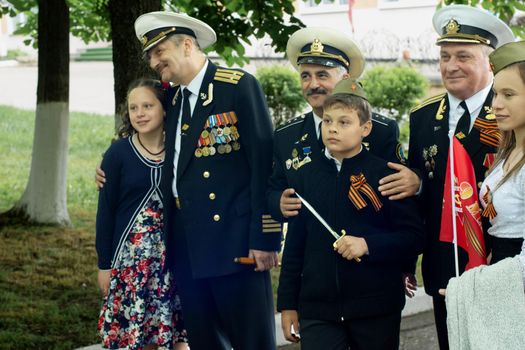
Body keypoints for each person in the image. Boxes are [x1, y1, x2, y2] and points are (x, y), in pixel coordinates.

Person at [132, 11, 280, 350]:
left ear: (186, 45)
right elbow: (147, 144)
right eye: (150, 55)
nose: (154, 62)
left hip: (236, 241)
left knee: (251, 342)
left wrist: (266, 238)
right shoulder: (172, 98)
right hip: (186, 241)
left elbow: (264, 165)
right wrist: (109, 171)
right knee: (205, 342)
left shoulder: (237, 87)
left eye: (159, 52)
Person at [277, 78, 424, 350]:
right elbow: (295, 247)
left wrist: (368, 245)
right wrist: (287, 305)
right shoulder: (305, 177)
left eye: (344, 122)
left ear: (365, 128)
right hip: (318, 309)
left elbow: (413, 238)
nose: (333, 129)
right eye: (328, 121)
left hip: (376, 307)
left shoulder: (386, 175)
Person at [406, 5, 514, 349]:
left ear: (490, 62)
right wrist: (407, 261)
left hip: (499, 263)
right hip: (443, 262)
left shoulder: (509, 111)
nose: (450, 66)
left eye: (463, 56)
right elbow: (414, 197)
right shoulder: (423, 117)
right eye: (444, 56)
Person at [267, 26, 420, 223]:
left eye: (322, 75)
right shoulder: (286, 135)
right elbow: (273, 188)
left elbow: (400, 193)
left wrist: (415, 180)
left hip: (365, 247)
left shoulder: (381, 131)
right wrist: (277, 202)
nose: (313, 84)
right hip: (307, 250)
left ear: (345, 79)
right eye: (305, 76)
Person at [440, 41, 525, 348]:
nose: (496, 104)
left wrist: (469, 288)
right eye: (496, 94)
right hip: (503, 283)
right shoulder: (508, 154)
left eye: (509, 94)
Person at [96, 78, 188, 350]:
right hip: (132, 264)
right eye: (133, 107)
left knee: (178, 334)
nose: (140, 113)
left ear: (164, 108)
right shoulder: (118, 153)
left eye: (148, 105)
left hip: (173, 258)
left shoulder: (180, 150)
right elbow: (106, 213)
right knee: (141, 335)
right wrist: (104, 265)